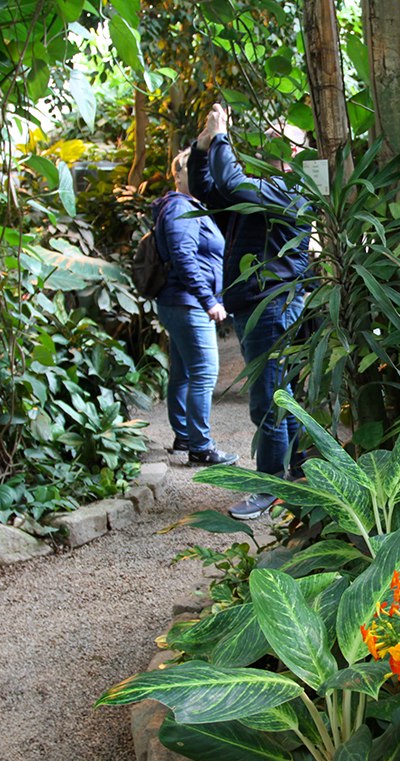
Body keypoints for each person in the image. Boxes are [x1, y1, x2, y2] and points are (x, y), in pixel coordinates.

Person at [189, 104, 311, 520]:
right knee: (281, 394)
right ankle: (299, 472)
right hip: (257, 305)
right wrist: (203, 147)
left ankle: (269, 486)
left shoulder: (288, 188)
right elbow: (210, 191)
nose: (273, 140)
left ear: (297, 149)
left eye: (283, 135)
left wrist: (222, 135)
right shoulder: (262, 190)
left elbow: (232, 182)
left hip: (273, 304)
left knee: (269, 401)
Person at [153, 149, 238, 467]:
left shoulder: (188, 207)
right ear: (180, 174)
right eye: (198, 168)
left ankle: (185, 437)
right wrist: (210, 301)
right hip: (188, 304)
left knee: (184, 371)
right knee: (204, 372)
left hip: (179, 302)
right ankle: (200, 446)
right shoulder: (180, 208)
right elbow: (183, 255)